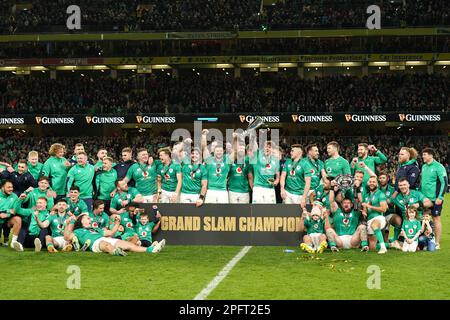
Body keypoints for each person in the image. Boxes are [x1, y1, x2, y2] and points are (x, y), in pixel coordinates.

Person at [64, 213, 166, 255]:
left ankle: (151, 249)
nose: (90, 219)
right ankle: (116, 252)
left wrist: (117, 223)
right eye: (87, 218)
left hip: (105, 238)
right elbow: (66, 236)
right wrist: (71, 223)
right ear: (81, 221)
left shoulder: (96, 229)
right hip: (95, 243)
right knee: (105, 245)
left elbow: (111, 232)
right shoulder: (78, 231)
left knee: (129, 245)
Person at [420, 148, 448, 250]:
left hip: (435, 198)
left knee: (436, 218)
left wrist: (440, 197)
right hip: (424, 198)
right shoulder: (423, 166)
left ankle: (436, 242)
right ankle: (425, 241)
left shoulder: (439, 167)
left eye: (425, 154)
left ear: (431, 155)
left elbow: (444, 182)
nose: (423, 156)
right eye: (423, 155)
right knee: (424, 218)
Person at [361, 176, 388, 254]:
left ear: (377, 184)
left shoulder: (381, 194)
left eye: (374, 182)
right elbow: (365, 210)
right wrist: (364, 212)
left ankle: (383, 248)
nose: (372, 183)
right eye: (370, 182)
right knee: (372, 247)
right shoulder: (366, 195)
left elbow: (384, 209)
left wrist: (370, 206)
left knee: (374, 225)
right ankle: (391, 244)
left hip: (379, 217)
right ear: (368, 183)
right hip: (369, 219)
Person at [0, 180, 24, 251]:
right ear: (2, 187)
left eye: (12, 187)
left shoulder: (14, 196)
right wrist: (5, 211)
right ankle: (4, 238)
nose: (11, 189)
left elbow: (14, 210)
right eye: (8, 187)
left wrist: (7, 214)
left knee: (18, 219)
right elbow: (10, 210)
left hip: (8, 219)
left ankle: (13, 242)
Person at [228, 138, 251, 204]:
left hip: (244, 191)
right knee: (232, 212)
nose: (241, 150)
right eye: (239, 148)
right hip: (232, 190)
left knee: (244, 213)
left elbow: (250, 177)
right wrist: (235, 139)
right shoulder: (231, 160)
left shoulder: (247, 160)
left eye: (243, 149)